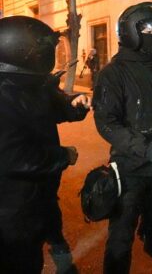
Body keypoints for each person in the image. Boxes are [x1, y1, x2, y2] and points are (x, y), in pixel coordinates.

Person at [93, 2, 152, 274]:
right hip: (130, 168)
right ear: (129, 32)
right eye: (148, 27)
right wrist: (147, 149)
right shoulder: (113, 74)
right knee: (121, 234)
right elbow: (107, 123)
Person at [0, 16, 90, 273]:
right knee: (22, 261)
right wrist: (63, 156)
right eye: (40, 52)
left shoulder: (28, 85)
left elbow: (51, 107)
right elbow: (12, 158)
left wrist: (75, 106)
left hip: (37, 193)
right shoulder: (4, 96)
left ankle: (55, 242)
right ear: (19, 52)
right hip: (12, 209)